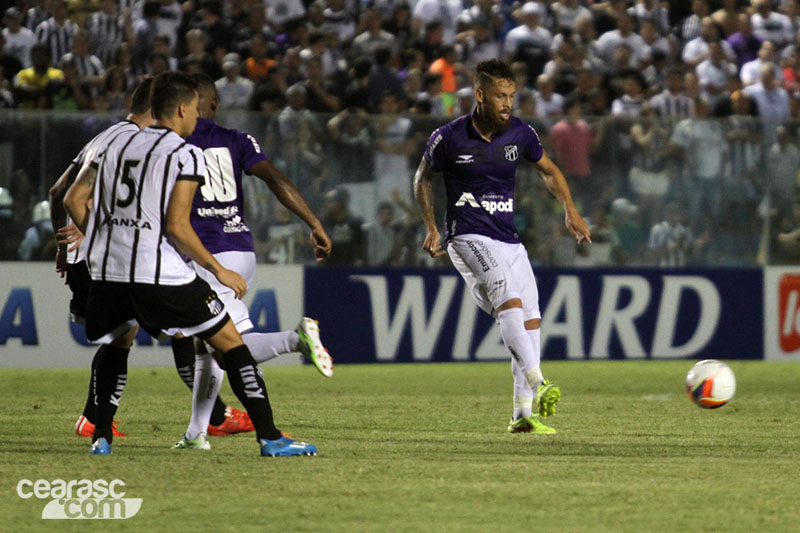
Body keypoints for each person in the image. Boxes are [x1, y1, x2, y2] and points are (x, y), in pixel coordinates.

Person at [63, 71, 317, 457]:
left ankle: (101, 437)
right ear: (181, 108)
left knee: (118, 342)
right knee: (231, 342)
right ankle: (270, 437)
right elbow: (178, 226)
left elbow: (73, 198)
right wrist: (219, 271)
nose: (199, 118)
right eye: (196, 110)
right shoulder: (185, 153)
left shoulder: (111, 140)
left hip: (109, 273)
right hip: (160, 273)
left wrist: (104, 239)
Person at [413, 59, 591, 435]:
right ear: (480, 96)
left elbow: (548, 169)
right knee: (507, 299)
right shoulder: (448, 137)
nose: (508, 103)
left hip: (509, 238)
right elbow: (422, 178)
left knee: (531, 319)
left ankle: (522, 415)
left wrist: (570, 211)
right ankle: (541, 383)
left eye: (511, 96)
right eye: (500, 96)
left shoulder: (521, 134)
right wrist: (431, 226)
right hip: (467, 235)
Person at [172, 73, 333, 449]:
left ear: (192, 105)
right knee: (205, 344)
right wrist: (313, 221)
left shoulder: (174, 141)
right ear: (215, 103)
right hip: (240, 249)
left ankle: (296, 340)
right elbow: (275, 178)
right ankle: (196, 433)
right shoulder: (237, 140)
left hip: (207, 254)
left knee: (231, 343)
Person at [49, 77, 156, 440]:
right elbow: (71, 196)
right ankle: (93, 419)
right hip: (97, 253)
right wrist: (89, 228)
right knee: (123, 333)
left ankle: (94, 417)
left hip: (82, 255)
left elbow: (57, 190)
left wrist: (64, 248)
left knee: (122, 332)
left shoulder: (104, 136)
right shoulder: (130, 142)